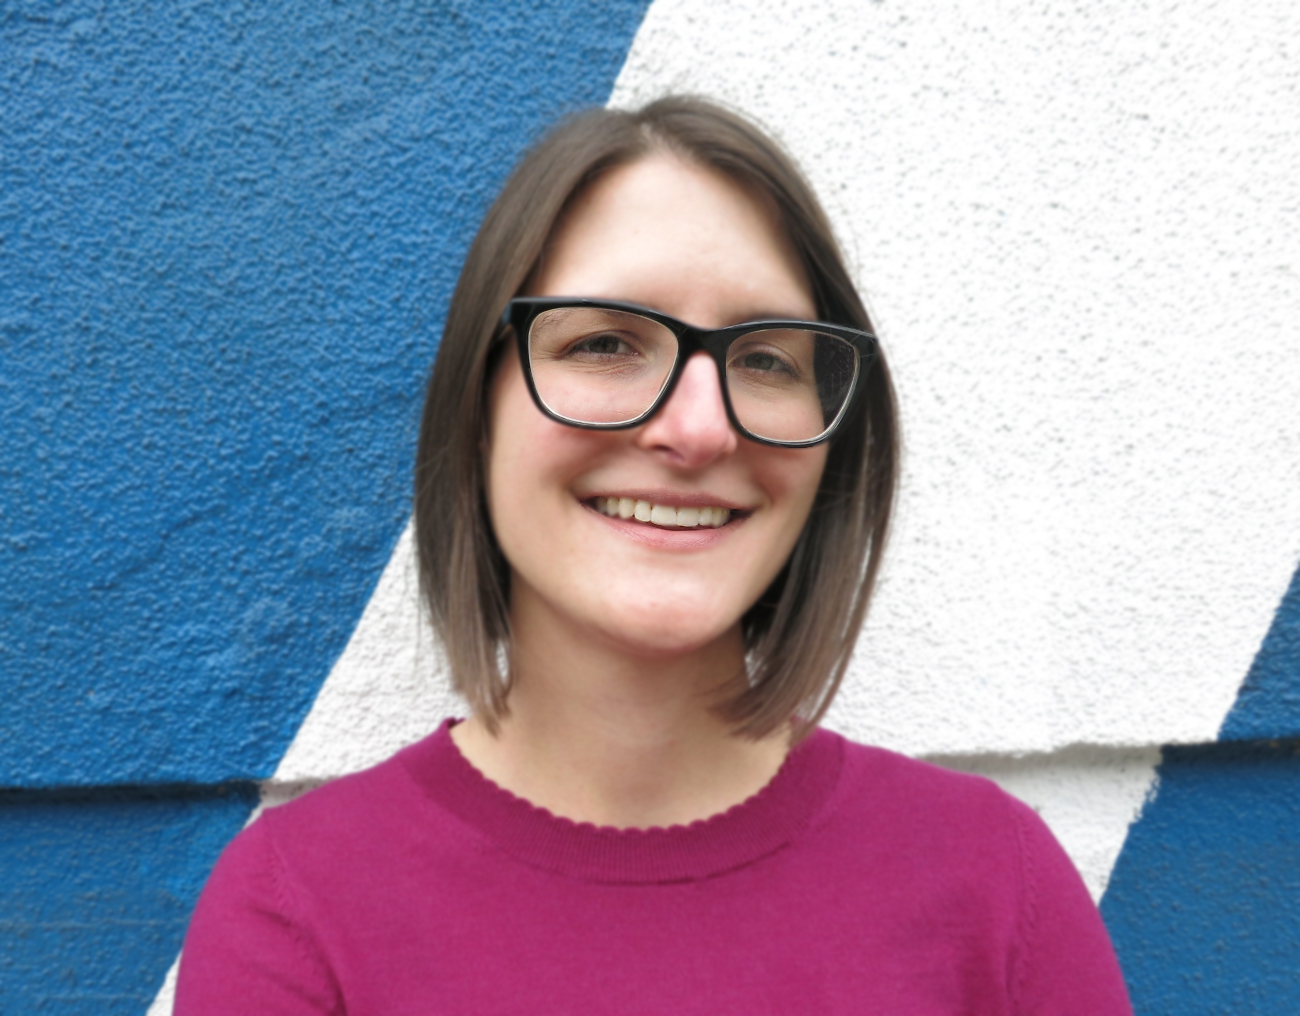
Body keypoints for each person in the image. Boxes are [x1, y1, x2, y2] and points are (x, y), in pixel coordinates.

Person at [175, 96, 1132, 1014]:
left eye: (764, 360)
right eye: (603, 343)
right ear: (476, 417)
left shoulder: (992, 883)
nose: (699, 429)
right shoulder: (300, 908)